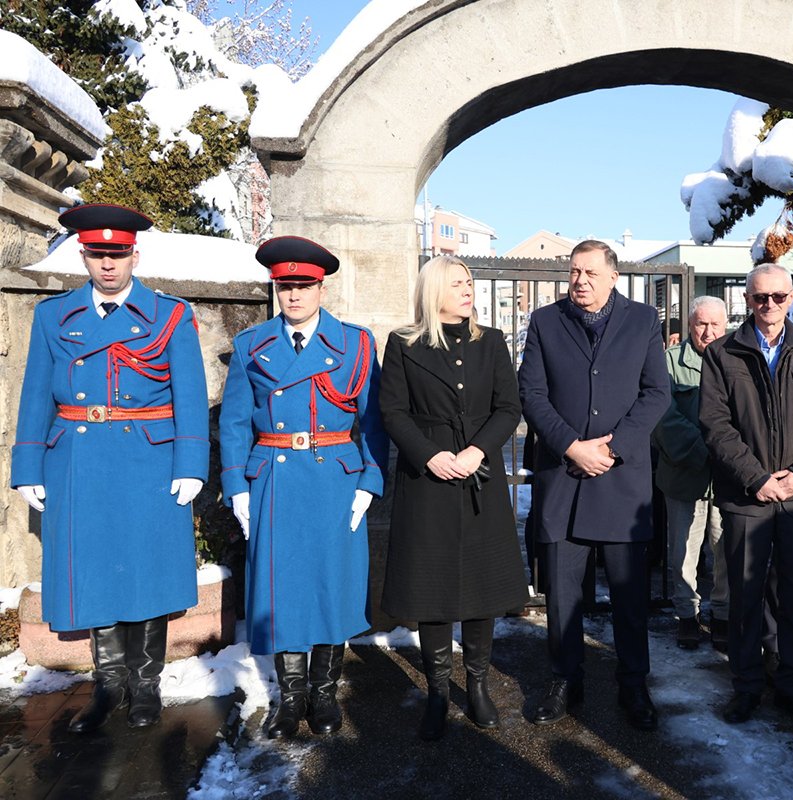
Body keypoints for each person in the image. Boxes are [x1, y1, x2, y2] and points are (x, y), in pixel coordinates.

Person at [11, 203, 208, 733]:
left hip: (149, 456)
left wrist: (191, 462)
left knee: (146, 568)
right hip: (77, 457)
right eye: (98, 254)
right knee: (93, 569)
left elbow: (190, 394)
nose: (108, 265)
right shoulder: (54, 316)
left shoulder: (170, 315)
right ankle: (108, 682)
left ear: (134, 255)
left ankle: (146, 684)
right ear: (84, 255)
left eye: (117, 254)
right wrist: (28, 463)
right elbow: (35, 395)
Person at [219, 236, 388, 739]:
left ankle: (324, 693)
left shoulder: (355, 344)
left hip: (334, 478)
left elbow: (374, 423)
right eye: (285, 285)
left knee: (329, 585)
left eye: (303, 285)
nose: (293, 296)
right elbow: (233, 424)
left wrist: (369, 482)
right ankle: (290, 698)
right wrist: (238, 486)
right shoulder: (252, 345)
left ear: (321, 287)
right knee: (284, 587)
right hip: (273, 474)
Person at [518, 240, 669, 731]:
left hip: (622, 482)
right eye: (574, 271)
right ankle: (565, 680)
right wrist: (570, 445)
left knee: (629, 597)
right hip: (564, 477)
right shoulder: (544, 321)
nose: (579, 280)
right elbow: (532, 394)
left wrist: (613, 447)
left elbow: (655, 394)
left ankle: (633, 683)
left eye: (589, 272)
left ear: (612, 277)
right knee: (562, 594)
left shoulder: (644, 321)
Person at [378, 255, 528, 741]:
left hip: (478, 475)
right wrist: (430, 456)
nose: (468, 290)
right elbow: (393, 412)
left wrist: (476, 450)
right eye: (458, 283)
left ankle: (478, 684)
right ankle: (439, 690)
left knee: (482, 586)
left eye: (470, 282)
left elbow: (509, 407)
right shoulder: (404, 344)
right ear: (434, 289)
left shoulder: (492, 342)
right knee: (433, 588)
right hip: (428, 483)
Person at [699, 264, 793, 727]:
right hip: (747, 498)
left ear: (791, 299)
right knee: (745, 597)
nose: (770, 306)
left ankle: (792, 684)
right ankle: (746, 684)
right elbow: (715, 424)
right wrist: (756, 478)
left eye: (779, 297)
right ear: (747, 298)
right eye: (761, 297)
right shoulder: (724, 353)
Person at [653, 296, 729, 651]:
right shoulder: (667, 363)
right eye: (701, 323)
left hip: (728, 478)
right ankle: (687, 615)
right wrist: (705, 450)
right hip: (685, 474)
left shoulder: (736, 361)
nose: (709, 331)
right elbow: (662, 417)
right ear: (689, 325)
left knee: (726, 549)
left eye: (716, 324)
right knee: (683, 550)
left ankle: (724, 615)